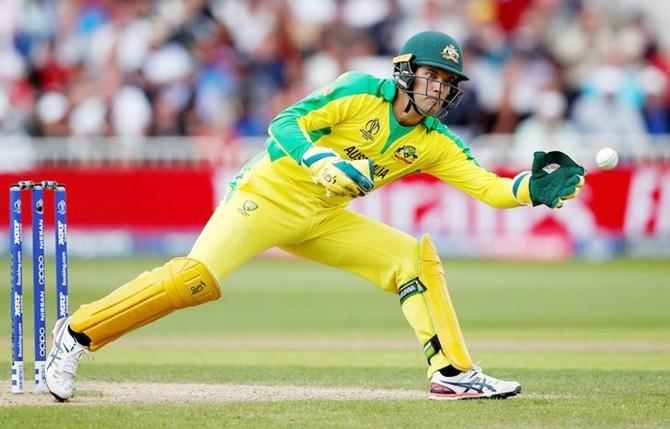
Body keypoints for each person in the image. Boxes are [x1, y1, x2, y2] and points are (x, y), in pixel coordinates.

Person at [45, 31, 585, 402]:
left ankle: (452, 372)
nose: (439, 89)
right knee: (194, 279)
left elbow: (490, 188)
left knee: (412, 258)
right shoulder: (359, 91)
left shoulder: (435, 142)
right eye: (431, 76)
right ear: (405, 72)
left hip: (324, 217)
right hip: (266, 196)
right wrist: (319, 158)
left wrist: (531, 188)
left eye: (447, 83)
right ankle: (77, 332)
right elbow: (284, 122)